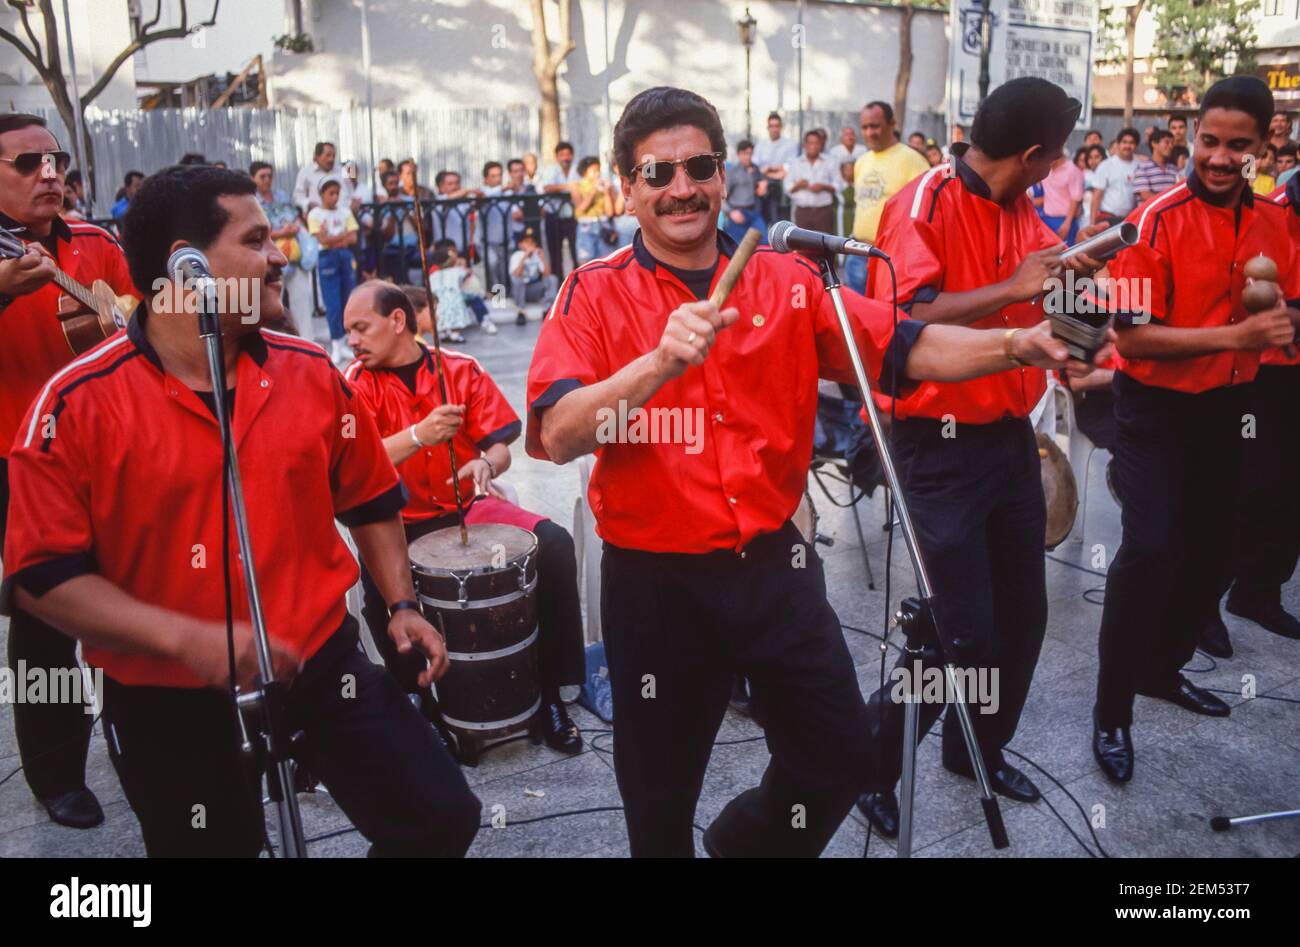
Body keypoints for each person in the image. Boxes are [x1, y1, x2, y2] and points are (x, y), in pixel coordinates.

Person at [525, 85, 1094, 858]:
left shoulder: (788, 278)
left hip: (774, 565)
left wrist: (1015, 345)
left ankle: (743, 843)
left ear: (724, 175)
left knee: (841, 758)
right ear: (628, 187)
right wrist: (656, 362)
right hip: (655, 583)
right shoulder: (589, 292)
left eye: (699, 166)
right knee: (658, 798)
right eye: (658, 174)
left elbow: (905, 343)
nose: (681, 187)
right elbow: (557, 434)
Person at [2, 164, 482, 857]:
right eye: (255, 240)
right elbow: (40, 577)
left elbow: (370, 498)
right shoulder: (75, 402)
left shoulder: (310, 370)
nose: (278, 254)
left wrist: (402, 604)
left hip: (320, 660)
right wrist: (189, 640)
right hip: (164, 694)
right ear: (186, 266)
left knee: (440, 816)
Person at [855, 77, 1108, 838]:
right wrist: (1013, 285)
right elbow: (898, 323)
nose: (1059, 167)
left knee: (1022, 617)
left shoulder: (1021, 206)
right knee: (957, 630)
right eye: (1056, 155)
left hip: (1007, 437)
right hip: (937, 446)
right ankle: (872, 765)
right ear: (1033, 155)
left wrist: (1085, 316)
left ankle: (979, 749)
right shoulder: (923, 202)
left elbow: (1044, 302)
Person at [1091, 77, 1300, 785]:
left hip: (1231, 408)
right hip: (1153, 408)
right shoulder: (1154, 220)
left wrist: (1283, 323)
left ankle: (1162, 668)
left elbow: (1289, 308)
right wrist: (1237, 331)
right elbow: (1134, 340)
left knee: (1217, 555)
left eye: (1236, 146)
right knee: (1150, 550)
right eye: (1207, 140)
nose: (1216, 157)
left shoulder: (1277, 220)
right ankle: (1111, 709)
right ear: (1192, 135)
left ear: (1263, 145)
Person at [342, 282, 585, 751]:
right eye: (349, 329)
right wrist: (419, 434)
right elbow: (354, 462)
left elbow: (498, 444)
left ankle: (551, 692)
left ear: (397, 321)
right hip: (399, 519)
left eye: (360, 327)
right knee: (379, 595)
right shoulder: (353, 382)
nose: (351, 338)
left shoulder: (460, 368)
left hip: (469, 506)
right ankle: (426, 706)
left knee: (553, 545)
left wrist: (486, 463)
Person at [0, 113, 137, 830]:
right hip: (16, 457)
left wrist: (127, 313)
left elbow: (138, 311)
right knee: (46, 615)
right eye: (27, 164)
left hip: (104, 448)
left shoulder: (94, 241)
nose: (49, 173)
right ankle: (55, 771)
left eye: (54, 160)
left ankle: (141, 736)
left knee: (137, 592)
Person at [846, 100, 930, 294]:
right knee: (855, 319)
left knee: (887, 319)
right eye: (865, 127)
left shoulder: (913, 160)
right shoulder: (862, 161)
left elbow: (925, 214)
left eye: (875, 126)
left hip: (890, 258)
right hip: (857, 253)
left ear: (892, 124)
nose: (869, 133)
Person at [251, 161, 315, 341]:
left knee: (302, 300)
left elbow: (296, 219)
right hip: (270, 259)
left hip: (293, 255)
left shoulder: (282, 196)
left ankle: (307, 342)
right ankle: (274, 343)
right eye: (262, 176)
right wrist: (281, 232)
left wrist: (294, 228)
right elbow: (254, 231)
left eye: (269, 176)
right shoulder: (252, 202)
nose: (267, 180)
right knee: (272, 304)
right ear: (253, 178)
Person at [307, 178, 358, 364]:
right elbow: (322, 240)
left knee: (348, 297)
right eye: (331, 193)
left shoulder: (345, 211)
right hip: (327, 257)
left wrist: (333, 238)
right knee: (333, 301)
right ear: (322, 194)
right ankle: (336, 344)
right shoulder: (315, 214)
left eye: (337, 193)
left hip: (344, 256)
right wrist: (340, 237)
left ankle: (346, 341)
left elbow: (353, 237)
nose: (334, 197)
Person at [785, 129, 838, 234]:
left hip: (823, 212)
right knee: (802, 245)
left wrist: (823, 187)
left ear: (821, 145)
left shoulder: (830, 162)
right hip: (802, 212)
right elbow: (787, 187)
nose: (813, 146)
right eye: (810, 143)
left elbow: (838, 185)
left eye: (816, 143)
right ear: (805, 145)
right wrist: (799, 185)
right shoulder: (796, 163)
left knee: (824, 245)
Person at [540, 141, 580, 276]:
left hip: (573, 216)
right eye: (562, 155)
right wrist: (568, 186)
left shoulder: (577, 169)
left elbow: (582, 185)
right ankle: (558, 285)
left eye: (568, 154)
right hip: (553, 216)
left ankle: (578, 284)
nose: (565, 158)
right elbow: (547, 187)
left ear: (572, 156)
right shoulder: (551, 170)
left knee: (577, 251)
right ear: (557, 157)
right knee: (555, 253)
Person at [753, 112, 799, 225]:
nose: (774, 129)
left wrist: (770, 169)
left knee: (782, 222)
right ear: (767, 128)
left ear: (781, 127)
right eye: (771, 126)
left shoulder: (790, 144)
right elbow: (756, 167)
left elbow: (790, 167)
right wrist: (776, 171)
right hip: (764, 187)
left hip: (783, 188)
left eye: (777, 126)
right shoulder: (761, 145)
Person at [1090, 127, 1141, 225]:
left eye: (1131, 143)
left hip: (1131, 219)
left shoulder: (1140, 165)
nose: (1127, 146)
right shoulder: (1106, 165)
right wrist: (1092, 224)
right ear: (1118, 144)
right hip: (1107, 218)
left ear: (1136, 145)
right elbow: (1096, 197)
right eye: (1124, 142)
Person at [427, 240, 475, 342]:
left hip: (439, 301)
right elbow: (467, 273)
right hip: (454, 300)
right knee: (456, 318)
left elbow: (431, 288)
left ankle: (443, 333)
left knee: (441, 318)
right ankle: (455, 333)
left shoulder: (433, 275)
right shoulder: (456, 271)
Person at [571, 155, 616, 264]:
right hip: (586, 226)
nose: (597, 173)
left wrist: (606, 193)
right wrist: (593, 191)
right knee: (585, 262)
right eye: (594, 170)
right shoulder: (577, 186)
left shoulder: (605, 185)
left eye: (598, 170)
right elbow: (581, 208)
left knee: (606, 261)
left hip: (603, 225)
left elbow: (610, 212)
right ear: (585, 171)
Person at [722, 139, 768, 245]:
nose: (748, 157)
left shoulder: (755, 169)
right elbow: (722, 196)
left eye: (750, 154)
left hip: (754, 212)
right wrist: (731, 212)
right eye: (744, 154)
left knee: (764, 244)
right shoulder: (732, 172)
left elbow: (761, 191)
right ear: (738, 154)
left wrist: (763, 189)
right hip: (737, 213)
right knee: (736, 248)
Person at [509, 228, 558, 314]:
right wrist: (525, 257)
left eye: (532, 242)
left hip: (535, 289)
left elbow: (547, 275)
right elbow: (515, 275)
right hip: (521, 290)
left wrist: (543, 258)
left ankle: (547, 308)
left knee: (552, 279)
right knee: (517, 280)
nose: (530, 245)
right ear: (520, 244)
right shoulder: (516, 255)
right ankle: (521, 311)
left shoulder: (537, 256)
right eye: (527, 242)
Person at [293, 141, 353, 213]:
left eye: (333, 155)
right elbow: (297, 197)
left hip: (344, 215)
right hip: (319, 218)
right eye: (328, 155)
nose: (331, 159)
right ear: (317, 156)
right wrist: (308, 204)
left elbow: (351, 191)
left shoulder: (342, 169)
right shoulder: (305, 172)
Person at [1042, 152, 1085, 242]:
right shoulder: (1046, 169)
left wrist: (1067, 223)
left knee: (1067, 253)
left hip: (1065, 221)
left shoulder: (1073, 171)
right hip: (1046, 219)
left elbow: (1076, 198)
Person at [1133, 128, 1179, 203]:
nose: (1170, 146)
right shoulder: (1143, 167)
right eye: (1167, 142)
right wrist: (1168, 202)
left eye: (1172, 143)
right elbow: (1144, 195)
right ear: (1154, 144)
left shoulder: (1173, 169)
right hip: (1150, 213)